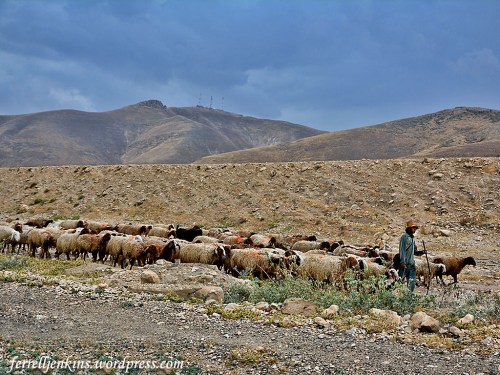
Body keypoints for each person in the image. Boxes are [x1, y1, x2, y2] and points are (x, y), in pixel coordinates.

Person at [398, 220, 426, 292]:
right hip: (405, 264)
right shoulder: (404, 237)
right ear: (409, 228)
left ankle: (409, 298)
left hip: (411, 264)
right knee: (398, 282)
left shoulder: (412, 238)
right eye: (413, 228)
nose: (415, 230)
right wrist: (403, 262)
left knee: (412, 282)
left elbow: (415, 252)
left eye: (415, 228)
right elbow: (402, 250)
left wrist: (422, 252)